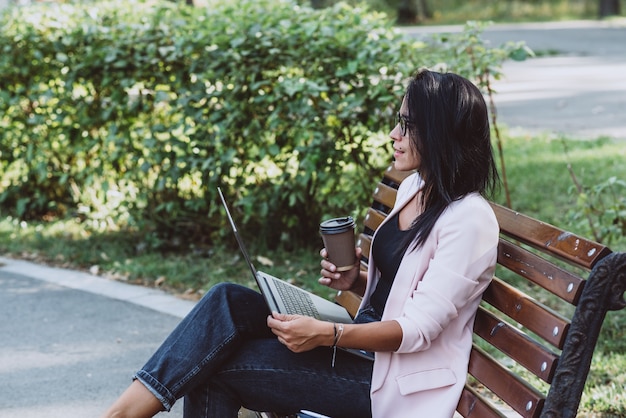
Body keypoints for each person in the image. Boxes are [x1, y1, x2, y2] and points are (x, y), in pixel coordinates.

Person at [100, 69, 500, 418]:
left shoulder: (469, 220)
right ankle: (121, 413)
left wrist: (328, 334)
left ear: (442, 135)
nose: (394, 134)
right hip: (363, 347)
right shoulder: (416, 186)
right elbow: (403, 290)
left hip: (391, 382)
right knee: (227, 299)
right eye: (399, 121)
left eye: (409, 126)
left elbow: (417, 330)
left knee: (214, 367)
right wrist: (354, 281)